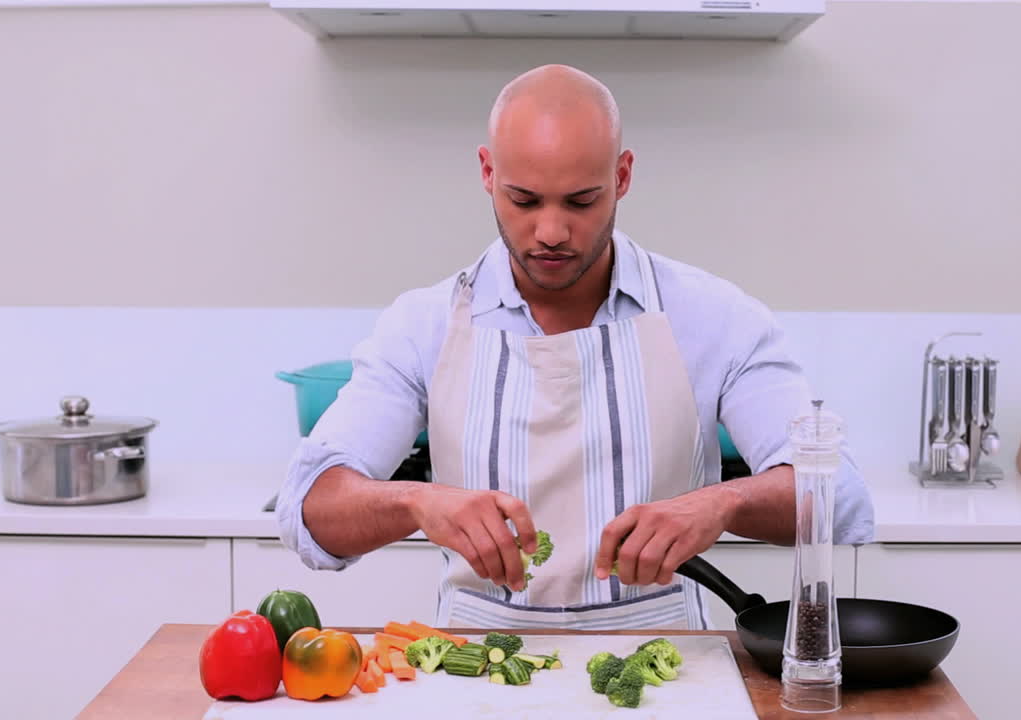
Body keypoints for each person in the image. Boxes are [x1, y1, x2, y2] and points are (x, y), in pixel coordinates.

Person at [277, 64, 873, 630]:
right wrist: (416, 503)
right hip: (476, 672)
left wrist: (723, 504)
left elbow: (838, 492)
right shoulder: (423, 325)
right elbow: (311, 509)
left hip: (675, 672)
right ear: (487, 173)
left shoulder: (715, 317)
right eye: (524, 200)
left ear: (622, 176)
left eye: (582, 201)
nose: (553, 232)